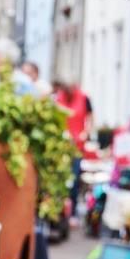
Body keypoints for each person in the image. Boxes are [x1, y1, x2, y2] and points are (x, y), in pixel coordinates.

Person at [54, 79, 93, 219]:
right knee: (60, 177)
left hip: (77, 146)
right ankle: (59, 210)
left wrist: (86, 133)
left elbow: (90, 117)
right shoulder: (59, 98)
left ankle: (73, 211)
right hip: (62, 146)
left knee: (74, 178)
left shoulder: (84, 98)